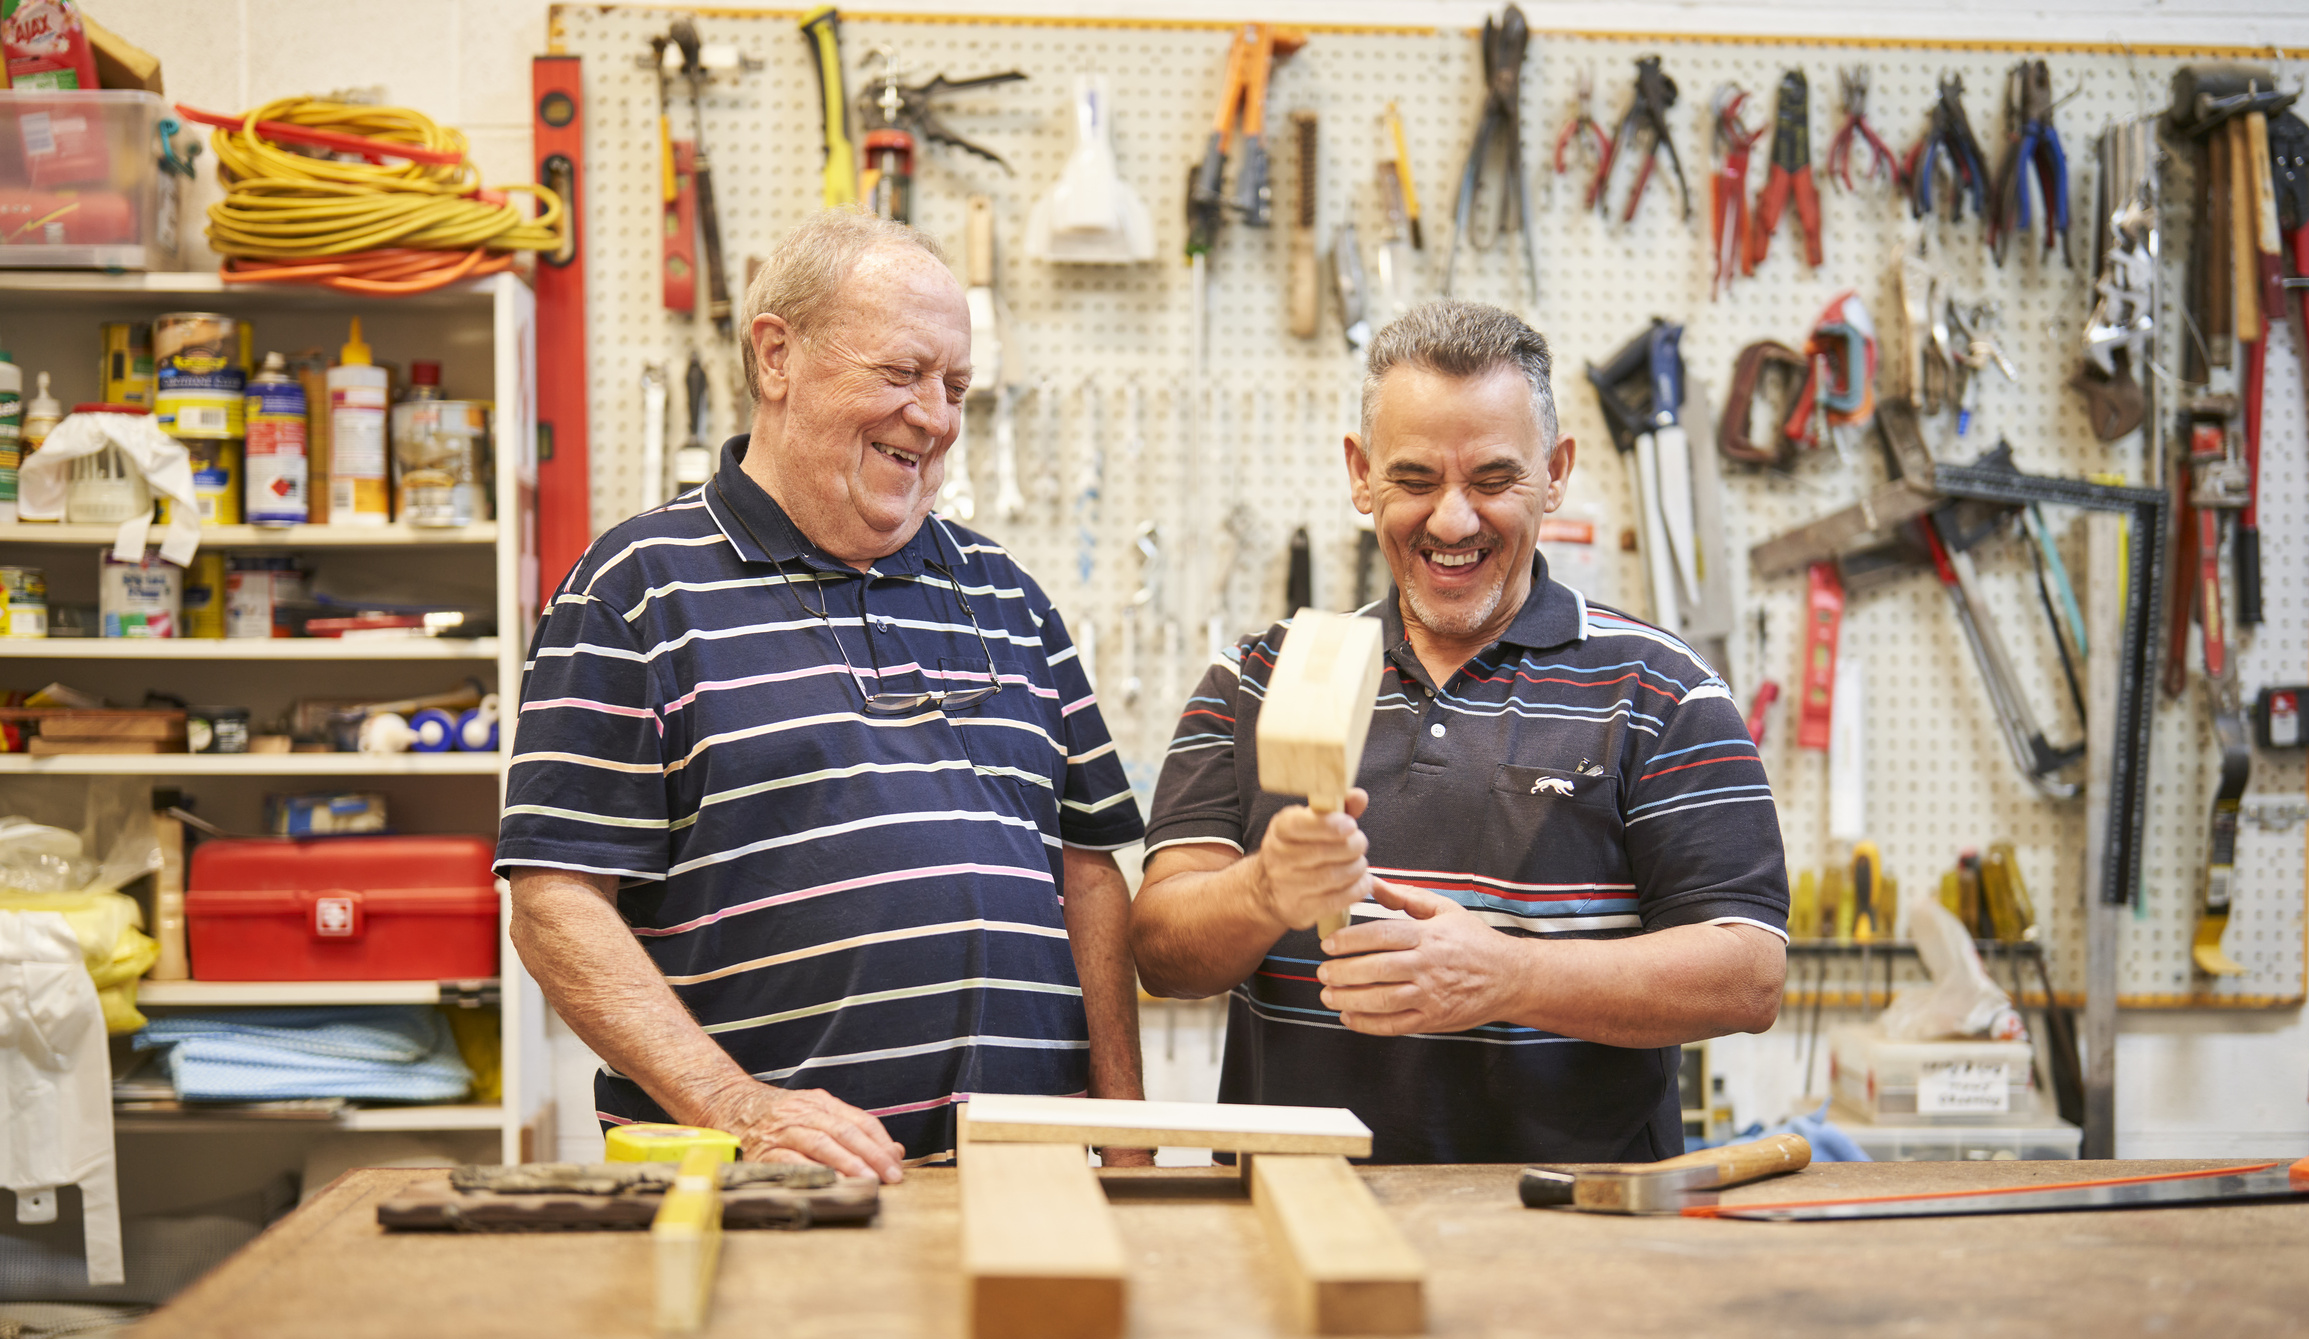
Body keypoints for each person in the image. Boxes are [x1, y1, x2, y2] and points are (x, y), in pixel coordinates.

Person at [499, 209, 1148, 1183]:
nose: (933, 415)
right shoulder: (634, 589)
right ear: (776, 357)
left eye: (955, 385)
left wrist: (1130, 1141)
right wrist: (738, 1106)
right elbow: (554, 903)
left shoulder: (1008, 596)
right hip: (770, 1191)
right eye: (900, 373)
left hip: (1032, 1184)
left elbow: (1090, 874)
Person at [1130, 299, 1787, 1165]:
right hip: (1302, 1219)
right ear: (1360, 475)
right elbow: (1161, 954)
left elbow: (1747, 976)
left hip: (1577, 1232)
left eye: (1491, 479)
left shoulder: (1661, 690)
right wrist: (1263, 892)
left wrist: (1507, 976)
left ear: (1554, 472)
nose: (1451, 521)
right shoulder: (1259, 677)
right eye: (1413, 481)